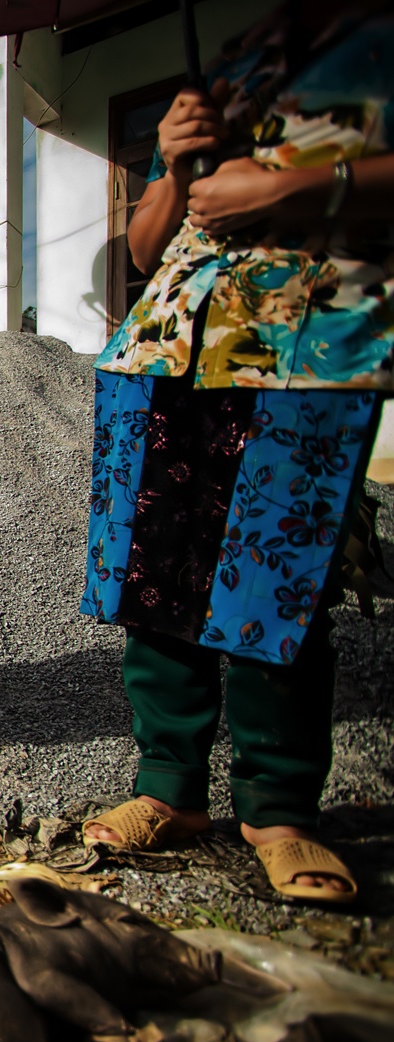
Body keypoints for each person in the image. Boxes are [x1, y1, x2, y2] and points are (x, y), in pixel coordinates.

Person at [77, 1, 391, 906]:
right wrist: (173, 167)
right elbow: (142, 246)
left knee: (275, 575)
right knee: (158, 572)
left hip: (309, 338)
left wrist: (299, 191)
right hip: (169, 343)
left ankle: (280, 808)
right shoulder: (232, 68)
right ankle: (168, 788)